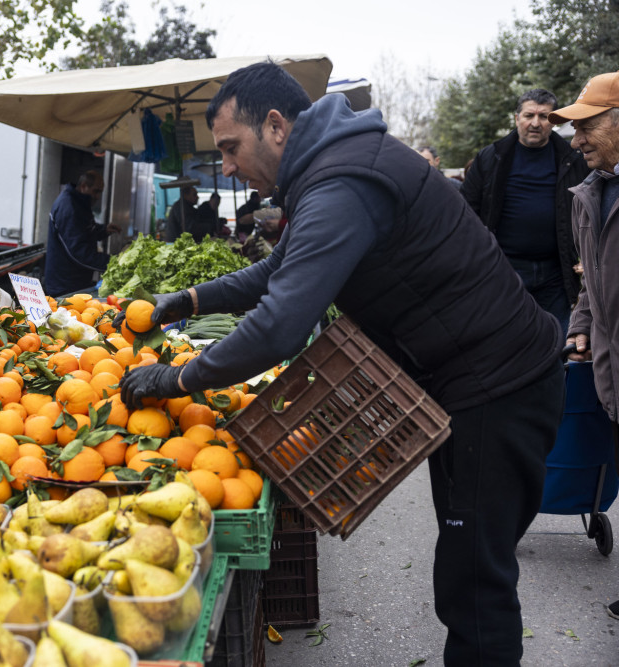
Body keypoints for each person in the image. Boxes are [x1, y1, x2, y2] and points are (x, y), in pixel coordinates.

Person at [117, 61, 564, 664]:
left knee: (475, 582)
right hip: (476, 380)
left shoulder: (342, 181)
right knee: (468, 570)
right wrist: (191, 299)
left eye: (230, 148)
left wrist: (178, 378)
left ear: (275, 126)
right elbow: (279, 271)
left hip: (498, 384)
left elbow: (280, 324)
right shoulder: (332, 167)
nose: (225, 166)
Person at [547, 71, 619, 623]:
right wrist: (580, 325)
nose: (576, 141)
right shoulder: (589, 195)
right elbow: (591, 282)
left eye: (586, 126)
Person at [461, 89, 590, 334]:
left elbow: (591, 209)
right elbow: (466, 211)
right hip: (504, 268)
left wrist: (586, 254)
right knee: (505, 338)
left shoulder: (572, 158)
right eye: (529, 115)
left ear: (553, 121)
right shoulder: (492, 158)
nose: (535, 123)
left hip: (557, 272)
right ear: (517, 117)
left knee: (555, 341)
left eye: (544, 116)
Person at [43, 170, 119, 296]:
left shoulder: (80, 202)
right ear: (83, 186)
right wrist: (115, 263)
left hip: (77, 282)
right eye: (96, 191)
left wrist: (104, 230)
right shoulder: (68, 207)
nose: (98, 196)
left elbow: (85, 231)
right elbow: (78, 251)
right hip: (65, 286)